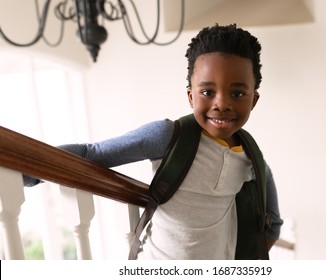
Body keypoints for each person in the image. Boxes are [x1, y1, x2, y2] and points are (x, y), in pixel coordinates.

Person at [26, 23, 283, 259]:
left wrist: (268, 234)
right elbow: (92, 152)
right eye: (207, 92)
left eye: (237, 93)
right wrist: (28, 167)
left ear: (254, 100)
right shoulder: (167, 136)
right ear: (191, 97)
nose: (222, 104)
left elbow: (266, 191)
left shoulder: (249, 154)